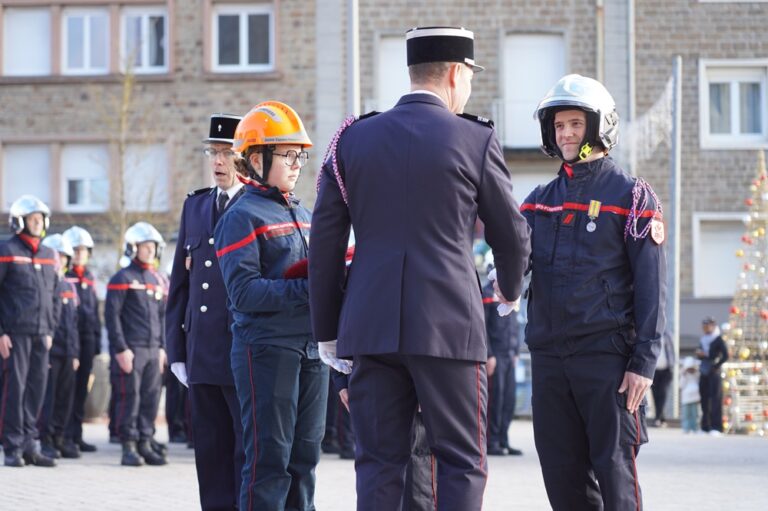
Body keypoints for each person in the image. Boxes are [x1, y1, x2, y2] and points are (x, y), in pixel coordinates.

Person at [308, 26, 531, 510]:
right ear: (456, 73)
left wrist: (327, 331)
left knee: (379, 463)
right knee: (461, 461)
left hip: (370, 328)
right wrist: (510, 289)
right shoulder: (474, 138)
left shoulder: (352, 138)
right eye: (469, 76)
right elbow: (511, 233)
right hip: (450, 328)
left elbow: (324, 241)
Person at [521, 74, 666, 510]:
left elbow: (652, 285)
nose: (566, 134)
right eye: (559, 125)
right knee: (561, 474)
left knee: (615, 472)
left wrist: (643, 362)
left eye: (575, 124)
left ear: (599, 126)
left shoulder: (632, 197)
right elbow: (511, 266)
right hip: (549, 359)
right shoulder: (537, 201)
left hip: (608, 360)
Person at [214, 101, 327, 510]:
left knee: (305, 459)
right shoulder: (239, 216)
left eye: (301, 155)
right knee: (270, 463)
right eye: (288, 154)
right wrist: (311, 289)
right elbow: (244, 293)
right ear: (257, 158)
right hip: (266, 350)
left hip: (310, 348)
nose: (298, 163)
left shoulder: (304, 211)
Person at [166, 113, 246, 509]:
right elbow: (179, 287)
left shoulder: (257, 204)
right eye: (212, 151)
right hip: (202, 353)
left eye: (226, 152)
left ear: (243, 156)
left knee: (243, 454)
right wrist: (176, 350)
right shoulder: (195, 207)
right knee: (210, 456)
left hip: (242, 353)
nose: (217, 161)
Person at [0, 195, 60, 467]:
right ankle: (12, 447)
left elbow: (55, 296)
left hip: (41, 334)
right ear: (20, 221)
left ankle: (30, 445)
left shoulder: (49, 254)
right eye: (32, 218)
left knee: (37, 389)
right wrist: (1, 332)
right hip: (15, 335)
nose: (37, 223)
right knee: (16, 390)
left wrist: (50, 328)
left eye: (40, 218)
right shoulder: (7, 249)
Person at [105, 222, 168, 466]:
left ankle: (145, 440)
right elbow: (112, 317)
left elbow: (163, 317)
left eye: (153, 246)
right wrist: (121, 349)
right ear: (133, 248)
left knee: (151, 397)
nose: (150, 250)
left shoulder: (157, 280)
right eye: (145, 246)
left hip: (154, 350)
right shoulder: (121, 278)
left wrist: (162, 347)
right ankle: (128, 446)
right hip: (132, 350)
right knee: (129, 398)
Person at [38, 234, 80, 460]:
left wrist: (74, 352)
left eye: (64, 257)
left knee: (65, 397)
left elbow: (73, 323)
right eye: (57, 256)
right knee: (49, 398)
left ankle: (60, 438)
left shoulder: (68, 286)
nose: (60, 261)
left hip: (67, 351)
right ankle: (46, 439)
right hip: (51, 351)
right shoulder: (46, 283)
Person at [61, 225, 102, 455]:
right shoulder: (64, 277)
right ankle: (65, 435)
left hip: (87, 340)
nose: (79, 254)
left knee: (82, 391)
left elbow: (94, 311)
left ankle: (77, 435)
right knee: (68, 390)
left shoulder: (89, 277)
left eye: (83, 250)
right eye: (75, 250)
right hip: (70, 341)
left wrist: (96, 341)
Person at [482, 266, 523, 456]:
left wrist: (515, 351)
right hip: (496, 354)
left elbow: (513, 324)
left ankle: (504, 439)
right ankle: (492, 441)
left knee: (508, 399)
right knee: (495, 400)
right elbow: (483, 326)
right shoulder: (488, 293)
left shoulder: (511, 290)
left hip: (509, 354)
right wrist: (488, 354)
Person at [696, 317, 729, 436]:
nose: (705, 328)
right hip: (704, 370)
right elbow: (700, 353)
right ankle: (705, 427)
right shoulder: (703, 338)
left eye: (707, 325)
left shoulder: (718, 339)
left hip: (714, 372)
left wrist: (716, 364)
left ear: (713, 326)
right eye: (703, 326)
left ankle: (717, 427)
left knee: (715, 399)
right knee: (704, 399)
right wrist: (700, 355)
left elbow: (725, 355)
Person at [651, 330, 675, 427]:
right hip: (653, 371)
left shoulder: (667, 335)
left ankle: (657, 418)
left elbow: (672, 351)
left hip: (666, 370)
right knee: (655, 395)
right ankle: (661, 418)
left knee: (663, 393)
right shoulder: (650, 334)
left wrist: (672, 365)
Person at [680, 356, 700, 434]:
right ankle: (686, 428)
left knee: (695, 414)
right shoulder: (683, 375)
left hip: (695, 396)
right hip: (686, 397)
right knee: (686, 414)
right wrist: (683, 375)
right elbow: (681, 385)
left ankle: (695, 428)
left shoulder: (697, 373)